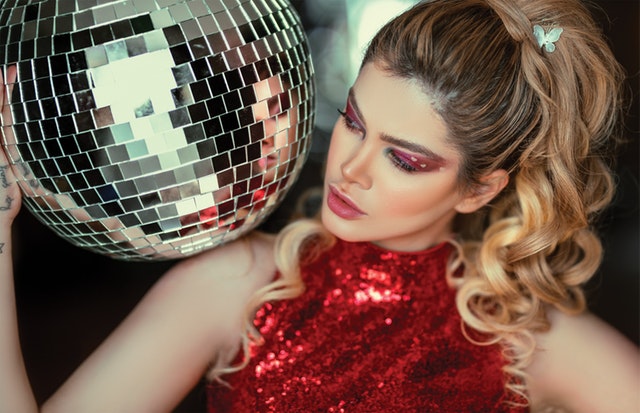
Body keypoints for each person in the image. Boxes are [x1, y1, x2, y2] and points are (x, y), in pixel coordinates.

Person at [1, 0, 638, 411]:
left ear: (481, 187)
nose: (351, 167)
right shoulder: (238, 284)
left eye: (404, 159)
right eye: (354, 122)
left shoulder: (526, 344)